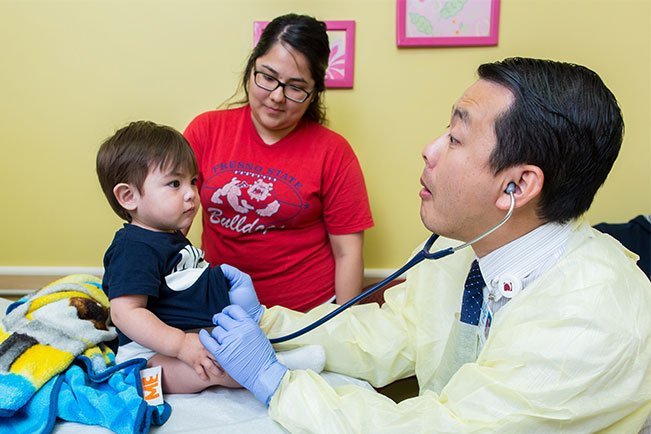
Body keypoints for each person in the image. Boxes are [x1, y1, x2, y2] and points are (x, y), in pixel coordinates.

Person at [198, 58, 651, 432]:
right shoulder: (466, 251)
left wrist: (277, 385)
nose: (430, 149)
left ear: (516, 187)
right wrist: (270, 322)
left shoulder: (588, 321)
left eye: (455, 138)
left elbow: (448, 426)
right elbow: (387, 336)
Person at [96, 121, 325, 394]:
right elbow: (126, 313)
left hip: (191, 333)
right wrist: (180, 344)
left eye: (192, 181)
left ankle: (263, 360)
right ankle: (274, 369)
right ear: (128, 196)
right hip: (149, 354)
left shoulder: (168, 235)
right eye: (174, 183)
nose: (191, 193)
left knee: (236, 346)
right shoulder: (133, 247)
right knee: (213, 367)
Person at [184, 13, 374, 312]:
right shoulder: (205, 130)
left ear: (314, 94)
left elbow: (347, 254)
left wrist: (341, 324)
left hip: (307, 313)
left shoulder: (334, 151)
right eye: (268, 77)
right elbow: (169, 222)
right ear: (251, 69)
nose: (276, 96)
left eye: (295, 87)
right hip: (223, 307)